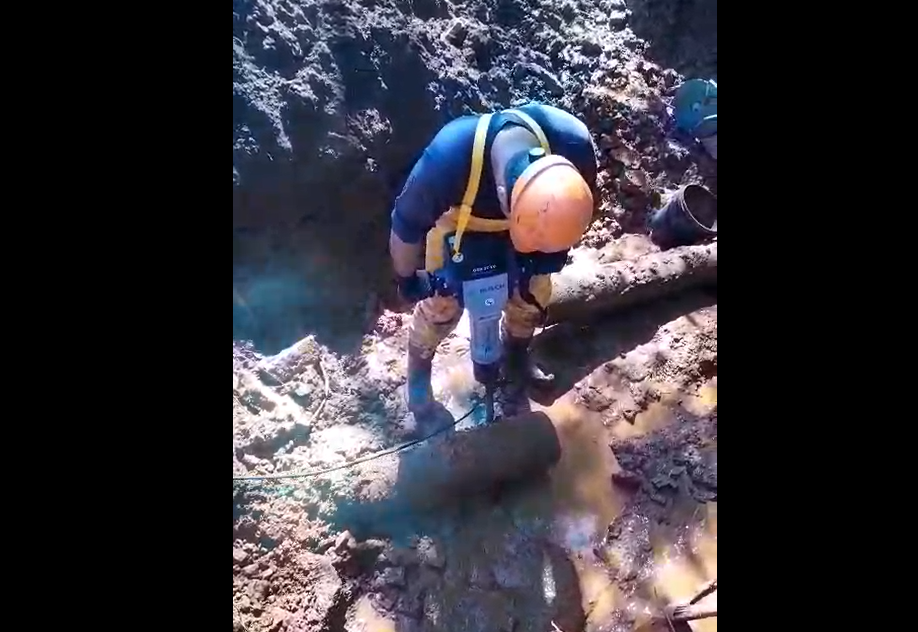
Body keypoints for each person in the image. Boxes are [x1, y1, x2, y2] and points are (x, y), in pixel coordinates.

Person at [389, 102, 598, 418]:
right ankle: (419, 375)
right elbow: (405, 226)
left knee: (532, 297)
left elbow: (574, 218)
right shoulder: (450, 157)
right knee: (439, 307)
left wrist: (543, 263)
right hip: (458, 230)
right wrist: (408, 280)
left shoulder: (573, 143)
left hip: (536, 228)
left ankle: (516, 357)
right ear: (502, 193)